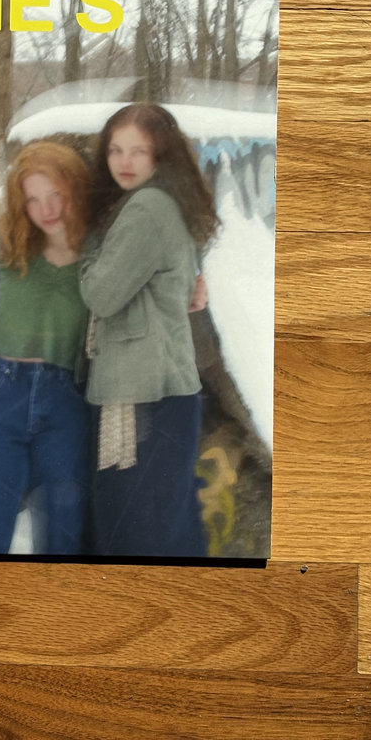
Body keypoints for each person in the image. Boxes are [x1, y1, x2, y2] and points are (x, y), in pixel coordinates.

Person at [80, 103, 219, 558]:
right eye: (115, 150)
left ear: (161, 154)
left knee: (135, 532)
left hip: (143, 398)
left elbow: (101, 295)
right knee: (164, 526)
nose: (124, 162)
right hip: (161, 390)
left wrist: (90, 245)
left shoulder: (146, 207)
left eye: (138, 151)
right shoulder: (165, 200)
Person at [0, 141, 94, 555]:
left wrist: (191, 278)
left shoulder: (100, 253)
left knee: (62, 532)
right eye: (32, 199)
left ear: (75, 189)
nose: (45, 209)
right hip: (1, 390)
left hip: (67, 398)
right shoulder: (6, 245)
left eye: (55, 195)